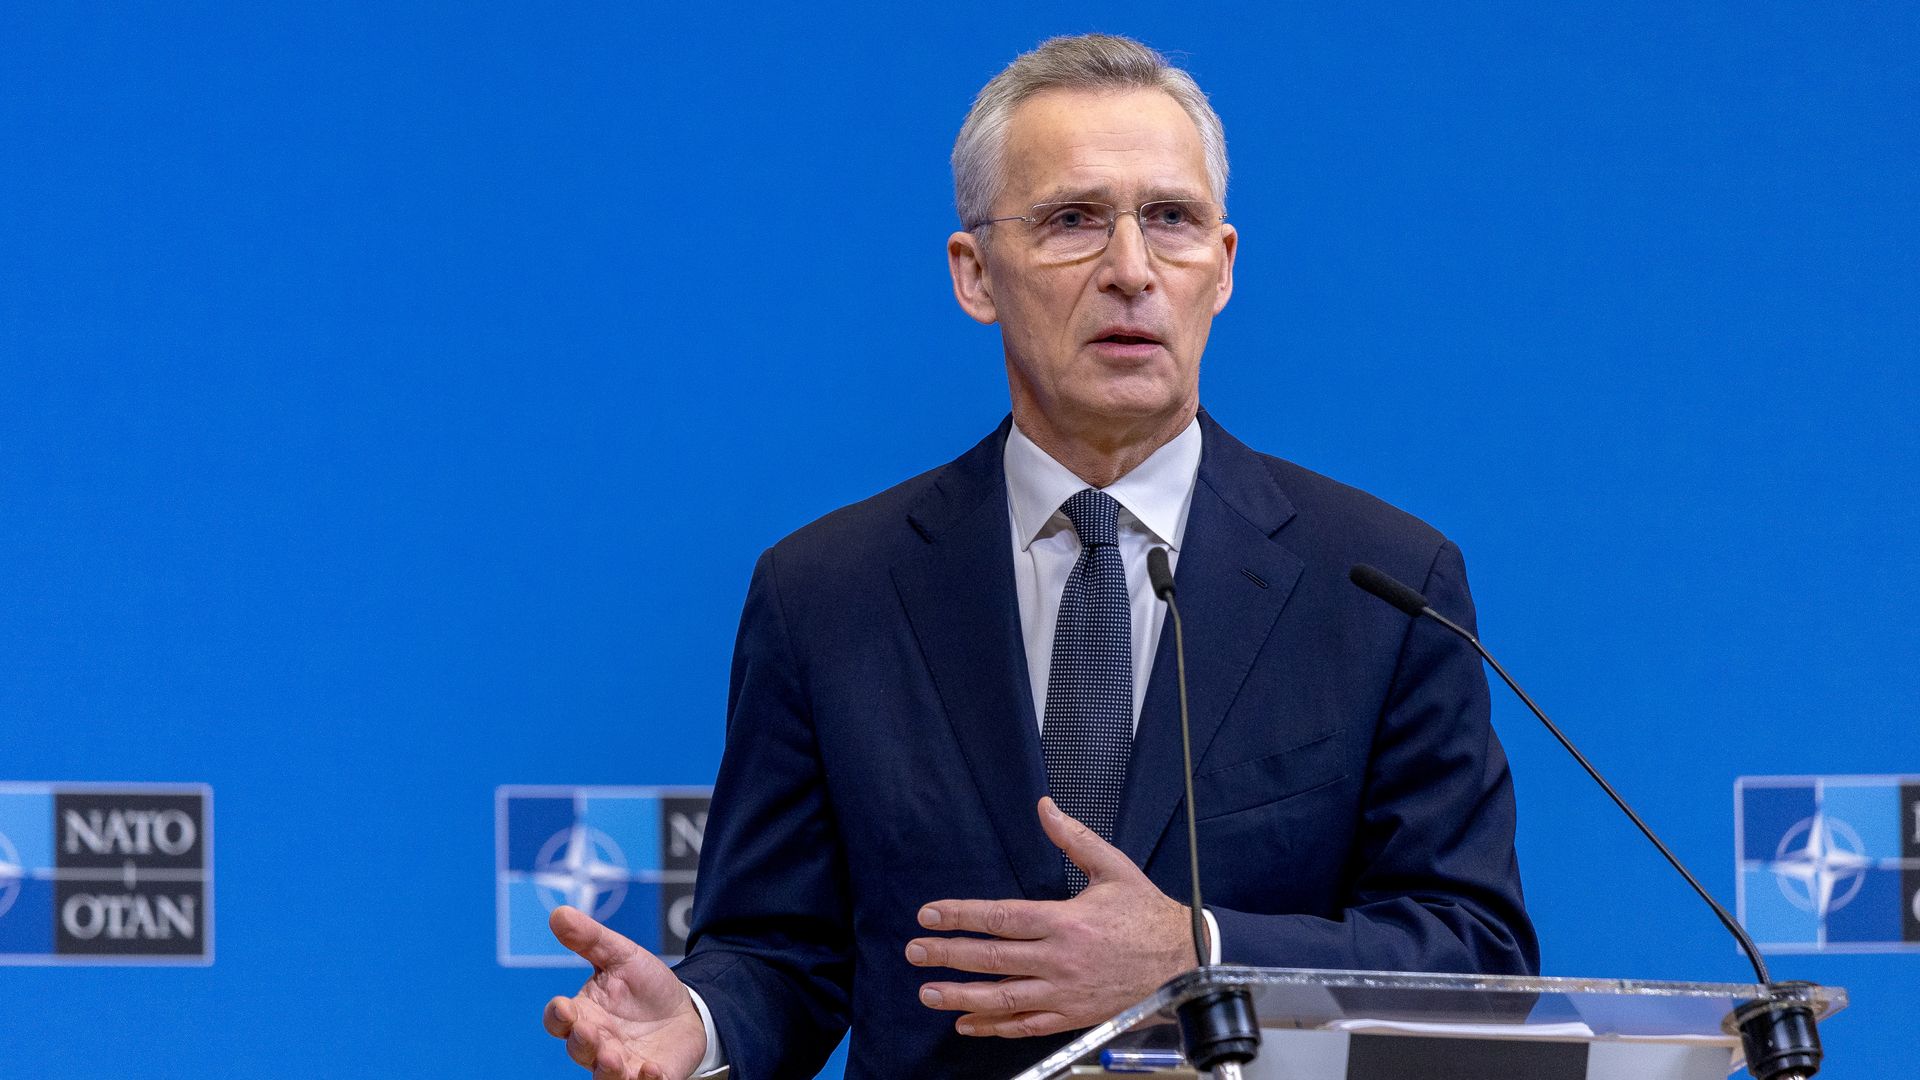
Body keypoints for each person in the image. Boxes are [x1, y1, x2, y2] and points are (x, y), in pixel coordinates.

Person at [541, 33, 1538, 1080]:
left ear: (1224, 269)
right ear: (976, 274)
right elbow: (782, 951)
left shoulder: (1379, 582)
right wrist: (700, 1025)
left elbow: (1474, 956)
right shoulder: (826, 594)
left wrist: (1198, 953)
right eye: (1072, 220)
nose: (1131, 270)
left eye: (1171, 220)